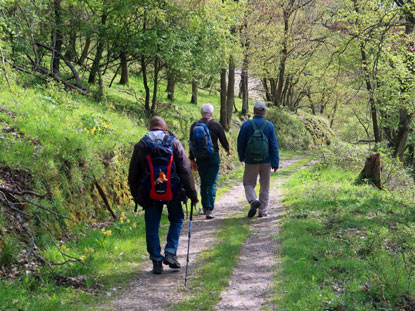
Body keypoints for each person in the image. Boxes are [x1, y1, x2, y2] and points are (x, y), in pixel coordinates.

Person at [128, 116, 198, 274]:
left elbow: (133, 173)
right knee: (177, 218)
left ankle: (156, 261)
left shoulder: (141, 144)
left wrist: (137, 195)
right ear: (164, 127)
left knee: (152, 225)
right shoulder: (173, 142)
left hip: (149, 192)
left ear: (150, 127)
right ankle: (171, 253)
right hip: (173, 191)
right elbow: (185, 170)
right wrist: (192, 194)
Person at [237, 101, 279, 218]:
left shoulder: (246, 125)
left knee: (248, 183)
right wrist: (275, 163)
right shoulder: (269, 125)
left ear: (254, 111)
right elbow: (273, 145)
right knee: (265, 186)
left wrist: (242, 157)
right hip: (266, 160)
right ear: (264, 112)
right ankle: (262, 210)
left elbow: (240, 143)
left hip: (251, 160)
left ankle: (253, 200)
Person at [189, 103, 230, 219]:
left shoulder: (194, 125)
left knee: (204, 182)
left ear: (202, 113)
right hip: (213, 157)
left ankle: (204, 207)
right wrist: (228, 149)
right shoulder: (216, 124)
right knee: (212, 182)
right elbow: (223, 139)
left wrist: (192, 160)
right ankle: (209, 209)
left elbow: (191, 144)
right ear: (211, 113)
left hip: (200, 158)